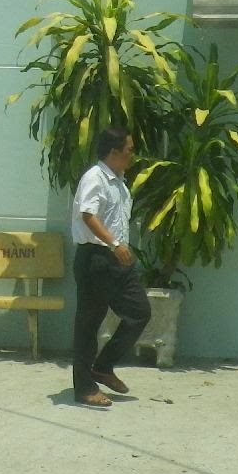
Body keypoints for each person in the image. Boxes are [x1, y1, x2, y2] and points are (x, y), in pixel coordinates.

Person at [71, 126, 152, 408]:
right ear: (114, 152)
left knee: (139, 312)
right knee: (88, 324)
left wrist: (118, 248)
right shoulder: (95, 177)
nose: (133, 155)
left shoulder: (118, 180)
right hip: (97, 258)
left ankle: (103, 367)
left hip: (116, 259)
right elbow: (88, 214)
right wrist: (115, 244)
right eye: (129, 150)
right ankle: (84, 388)